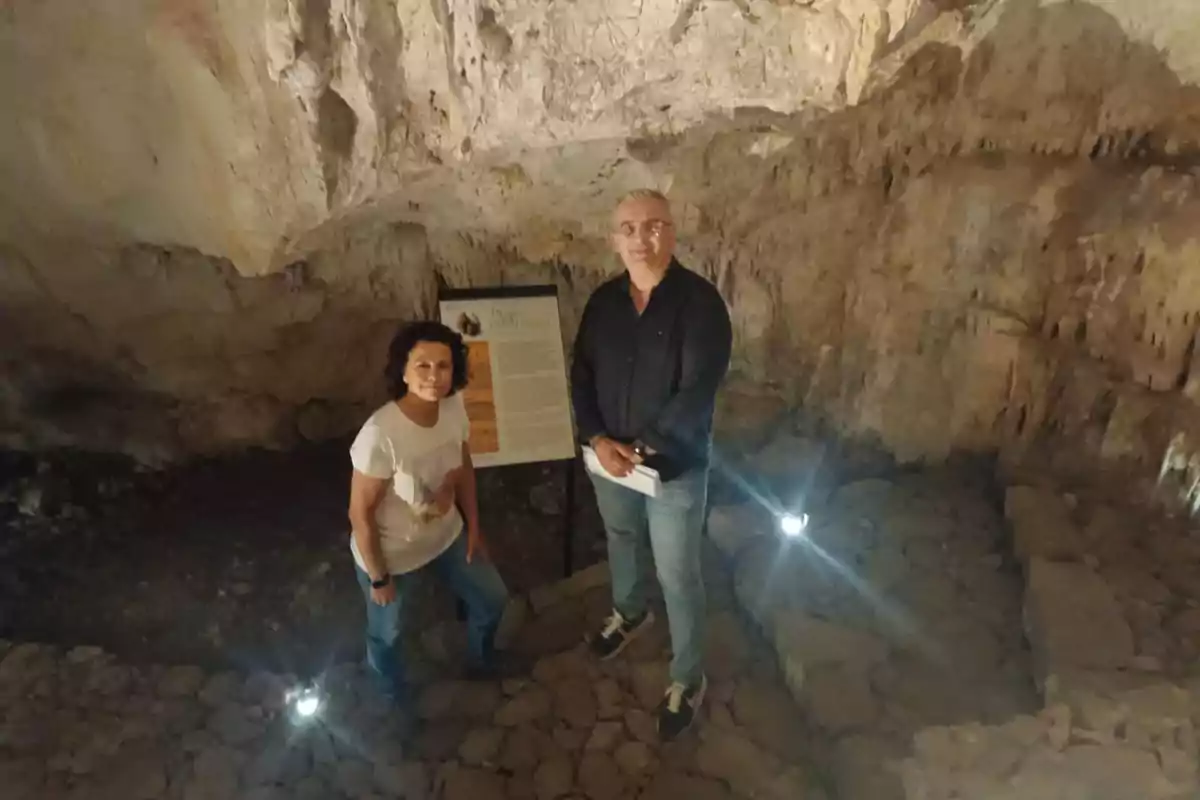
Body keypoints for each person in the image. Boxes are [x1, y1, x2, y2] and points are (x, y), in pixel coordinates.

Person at [570, 188, 733, 739]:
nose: (642, 238)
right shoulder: (603, 303)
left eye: (654, 225)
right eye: (630, 228)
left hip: (674, 464)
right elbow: (583, 374)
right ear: (616, 239)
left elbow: (698, 388)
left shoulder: (701, 303)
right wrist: (596, 436)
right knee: (620, 535)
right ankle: (630, 611)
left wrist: (637, 449)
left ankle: (688, 675)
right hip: (608, 456)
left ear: (673, 231)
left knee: (678, 572)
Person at [347, 320, 510, 713]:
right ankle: (392, 693)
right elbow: (360, 514)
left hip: (447, 535)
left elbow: (464, 465)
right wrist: (379, 576)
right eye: (423, 365)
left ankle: (480, 660)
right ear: (402, 370)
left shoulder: (453, 408)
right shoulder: (380, 434)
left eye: (444, 365)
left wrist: (473, 525)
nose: (434, 376)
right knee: (388, 632)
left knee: (493, 599)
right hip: (394, 555)